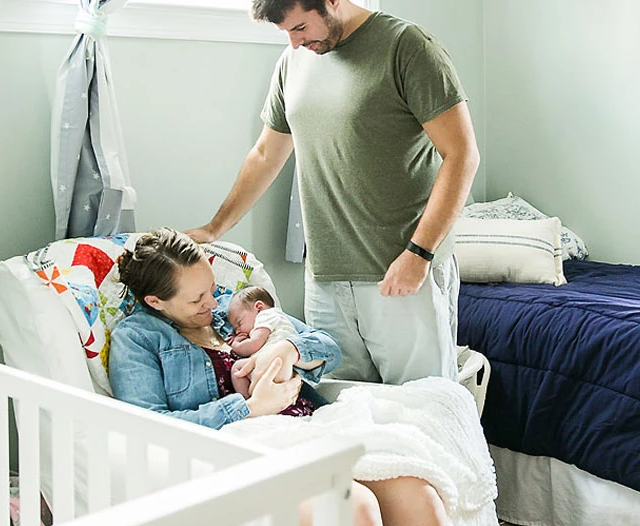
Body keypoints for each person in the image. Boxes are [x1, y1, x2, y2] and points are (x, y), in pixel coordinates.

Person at [107, 228, 456, 526]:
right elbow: (149, 427)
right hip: (240, 455)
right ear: (156, 301)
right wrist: (249, 408)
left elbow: (328, 348)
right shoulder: (138, 339)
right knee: (355, 511)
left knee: (422, 502)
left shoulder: (236, 312)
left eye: (210, 288)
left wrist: (289, 348)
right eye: (197, 299)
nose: (212, 302)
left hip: (308, 431)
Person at [185, 0, 480, 386]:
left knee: (423, 403)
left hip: (402, 270)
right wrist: (214, 228)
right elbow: (265, 155)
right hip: (325, 276)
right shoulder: (293, 62)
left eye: (300, 27)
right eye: (286, 32)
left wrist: (419, 253)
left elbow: (462, 156)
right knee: (339, 405)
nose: (294, 42)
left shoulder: (407, 47)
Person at [227, 285, 317, 416]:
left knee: (237, 369)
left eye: (239, 323)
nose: (237, 331)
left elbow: (254, 344)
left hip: (272, 362)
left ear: (259, 307)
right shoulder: (281, 318)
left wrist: (235, 344)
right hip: (287, 367)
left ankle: (248, 401)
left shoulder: (265, 316)